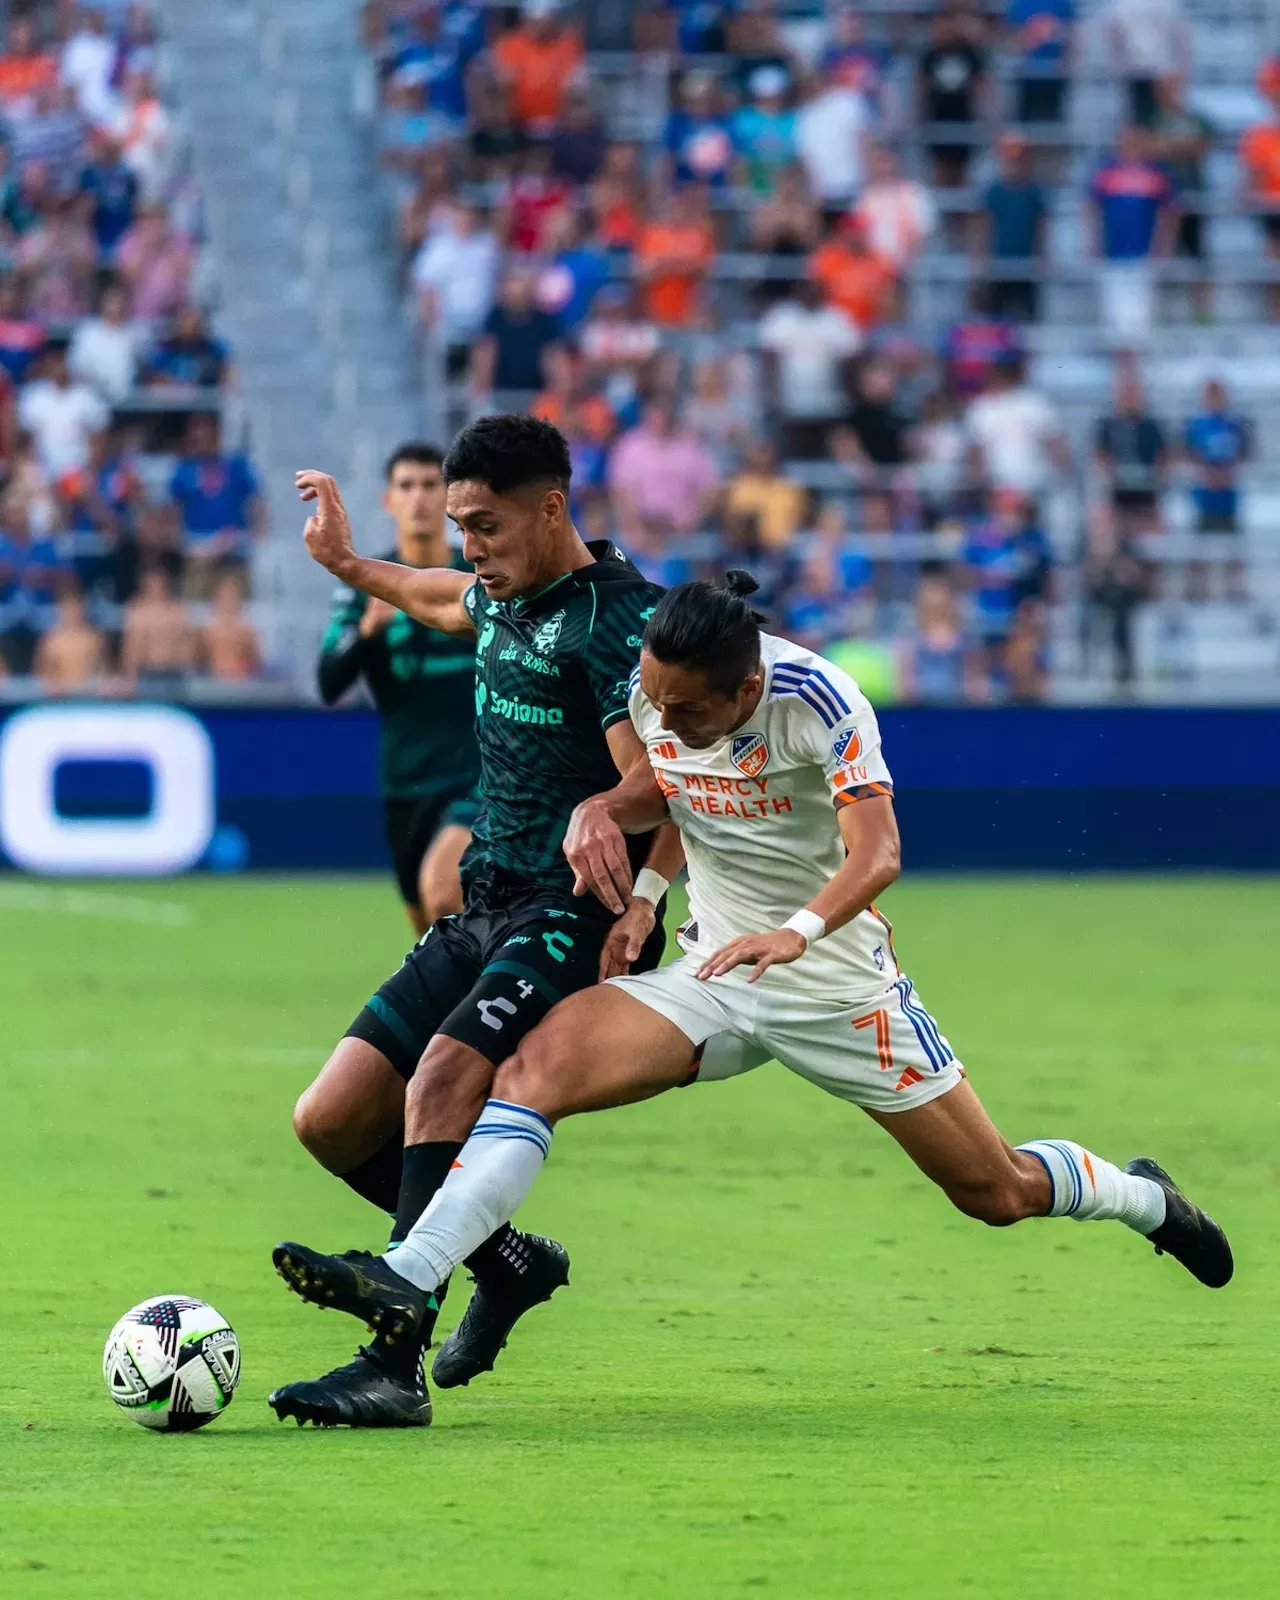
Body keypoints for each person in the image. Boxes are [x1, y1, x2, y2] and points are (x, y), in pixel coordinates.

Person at [274, 573, 1233, 1378]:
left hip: (836, 989)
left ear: (744, 692)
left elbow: (879, 852)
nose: (666, 718)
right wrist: (630, 856)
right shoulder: (661, 690)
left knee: (996, 1191)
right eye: (657, 699)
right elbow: (680, 789)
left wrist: (797, 932)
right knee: (530, 1073)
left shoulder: (818, 701)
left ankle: (1145, 1198)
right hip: (713, 970)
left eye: (690, 708)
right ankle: (417, 1270)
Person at [268, 415, 683, 1428]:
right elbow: (425, 595)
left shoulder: (615, 624)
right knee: (327, 1120)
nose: (468, 546)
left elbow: (665, 776)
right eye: (457, 524)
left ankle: (391, 1364)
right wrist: (344, 562)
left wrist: (638, 880)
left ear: (551, 507)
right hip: (480, 906)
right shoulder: (495, 597)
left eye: (484, 524)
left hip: (570, 912)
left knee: (448, 1076)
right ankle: (504, 1258)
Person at [317, 443, 481, 936]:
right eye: (407, 486)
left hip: (480, 774)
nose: (420, 498)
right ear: (389, 499)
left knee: (443, 893)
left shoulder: (480, 575)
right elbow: (329, 683)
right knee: (427, 928)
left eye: (432, 485)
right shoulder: (367, 585)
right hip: (406, 780)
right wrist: (366, 633)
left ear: (450, 499)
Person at [1088, 125, 1176, 350]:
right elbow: (1092, 208)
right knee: (1114, 318)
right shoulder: (1107, 172)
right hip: (1112, 251)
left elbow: (1169, 212)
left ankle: (1134, 376)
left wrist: (1163, 245)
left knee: (1139, 320)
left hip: (1143, 253)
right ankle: (1121, 375)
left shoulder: (1155, 174)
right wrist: (1093, 242)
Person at [758, 277, 862, 461]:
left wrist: (848, 394)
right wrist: (774, 394)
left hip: (830, 400)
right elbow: (769, 358)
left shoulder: (836, 319)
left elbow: (852, 357)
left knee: (829, 453)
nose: (810, 294)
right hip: (790, 401)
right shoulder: (782, 317)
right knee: (794, 453)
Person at [168, 414, 263, 598]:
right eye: (196, 435)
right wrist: (186, 544)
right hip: (198, 551)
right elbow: (174, 510)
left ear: (216, 434)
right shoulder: (184, 469)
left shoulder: (236, 465)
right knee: (195, 605)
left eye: (205, 434)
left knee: (237, 603)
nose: (201, 440)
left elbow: (254, 502)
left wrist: (256, 535)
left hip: (234, 551)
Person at [1182, 378, 1250, 601]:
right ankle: (1196, 589)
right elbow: (1187, 455)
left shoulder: (1235, 425)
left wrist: (1228, 472)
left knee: (1234, 546)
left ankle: (1235, 589)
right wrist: (1206, 473)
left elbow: (1244, 455)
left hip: (1228, 495)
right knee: (1199, 544)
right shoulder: (1196, 425)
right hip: (1204, 495)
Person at [976, 131, 1049, 322]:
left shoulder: (1034, 192)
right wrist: (981, 257)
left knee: (1028, 320)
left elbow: (1040, 226)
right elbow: (984, 224)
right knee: (996, 321)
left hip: (1026, 267)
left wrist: (1043, 256)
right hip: (999, 266)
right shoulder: (994, 191)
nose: (1014, 165)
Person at [917, 9, 988, 188]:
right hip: (937, 121)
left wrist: (987, 117)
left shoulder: (970, 55)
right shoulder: (930, 56)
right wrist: (919, 117)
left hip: (963, 120)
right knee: (940, 172)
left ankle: (958, 213)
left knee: (961, 175)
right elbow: (922, 88)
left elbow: (980, 87)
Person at [120, 564, 198, 692]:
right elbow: (131, 647)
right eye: (152, 585)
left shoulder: (178, 612)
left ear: (167, 587)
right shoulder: (137, 612)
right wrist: (129, 677)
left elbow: (186, 645)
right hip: (146, 673)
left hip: (174, 674)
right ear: (146, 587)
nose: (157, 589)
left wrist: (189, 672)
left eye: (161, 585)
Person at [1005, 0, 1074, 124]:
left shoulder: (1063, 3)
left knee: (1053, 122)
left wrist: (1067, 63)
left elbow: (1071, 36)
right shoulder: (1019, 4)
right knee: (1026, 122)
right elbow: (1012, 38)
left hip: (1055, 75)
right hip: (1026, 76)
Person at [35, 583, 108, 694]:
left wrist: (103, 685)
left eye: (76, 607)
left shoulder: (95, 638)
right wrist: (52, 685)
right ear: (61, 609)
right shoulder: (50, 640)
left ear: (83, 608)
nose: (73, 612)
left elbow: (105, 670)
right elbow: (42, 674)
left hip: (90, 697)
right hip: (59, 699)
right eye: (68, 608)